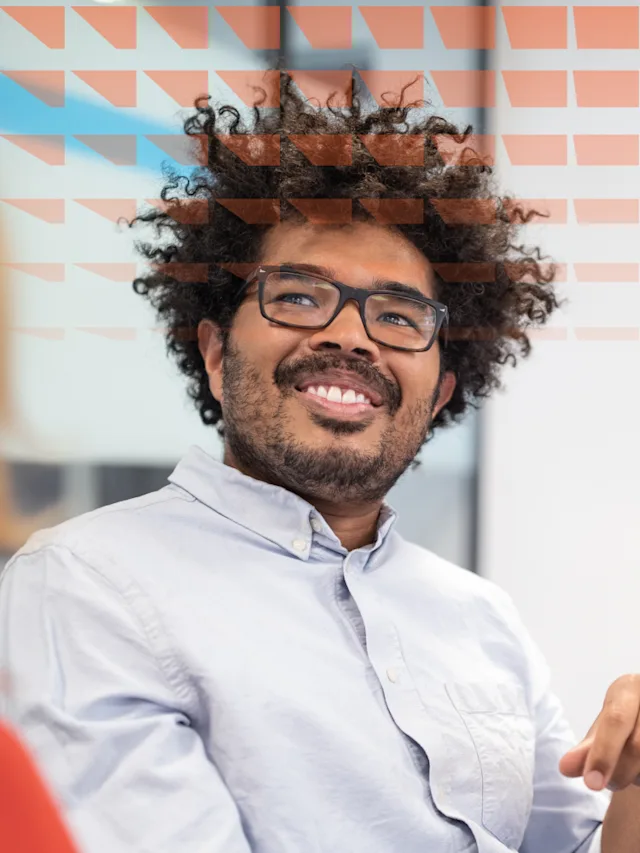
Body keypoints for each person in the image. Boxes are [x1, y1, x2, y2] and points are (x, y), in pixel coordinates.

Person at [1, 71, 638, 853]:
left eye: (399, 316)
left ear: (438, 393)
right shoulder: (85, 586)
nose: (351, 336)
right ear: (215, 354)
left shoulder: (481, 617)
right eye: (299, 297)